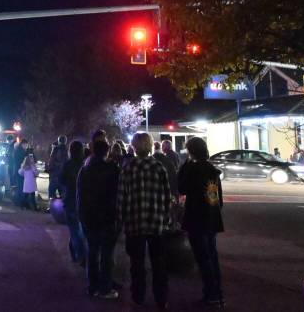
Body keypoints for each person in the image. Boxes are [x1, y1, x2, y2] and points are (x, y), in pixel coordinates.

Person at [119, 132, 172, 309]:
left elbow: (122, 197)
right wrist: (167, 218)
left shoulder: (128, 168)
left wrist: (122, 219)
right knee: (159, 263)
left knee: (137, 263)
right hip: (156, 222)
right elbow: (166, 196)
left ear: (134, 146)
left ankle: (138, 295)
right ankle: (161, 298)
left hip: (134, 222)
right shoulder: (159, 167)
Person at [179, 137, 225, 307]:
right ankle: (217, 293)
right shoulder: (211, 169)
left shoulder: (193, 169)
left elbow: (181, 187)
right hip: (211, 219)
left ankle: (211, 294)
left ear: (191, 151)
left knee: (203, 258)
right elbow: (217, 199)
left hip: (197, 219)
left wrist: (185, 165)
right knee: (212, 256)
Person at [78, 140, 121, 299]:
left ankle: (92, 286)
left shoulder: (85, 169)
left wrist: (82, 214)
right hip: (107, 216)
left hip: (90, 216)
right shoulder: (112, 169)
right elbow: (118, 193)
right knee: (107, 254)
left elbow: (80, 195)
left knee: (92, 251)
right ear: (107, 151)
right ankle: (105, 287)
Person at [61, 140, 88, 265]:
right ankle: (79, 254)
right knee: (78, 230)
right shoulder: (84, 165)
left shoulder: (67, 164)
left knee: (74, 229)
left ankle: (76, 253)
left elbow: (61, 180)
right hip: (80, 201)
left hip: (70, 200)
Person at [46, 135, 67, 200]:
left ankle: (52, 208)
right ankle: (62, 209)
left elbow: (51, 162)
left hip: (54, 175)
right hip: (63, 177)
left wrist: (49, 170)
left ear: (58, 141)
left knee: (51, 195)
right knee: (63, 196)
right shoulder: (67, 150)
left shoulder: (55, 149)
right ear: (65, 141)